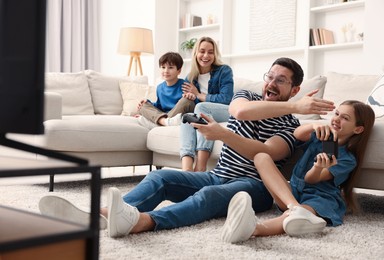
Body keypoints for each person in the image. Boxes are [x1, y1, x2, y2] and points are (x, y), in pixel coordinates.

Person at [38, 57, 335, 238]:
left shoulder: (289, 126)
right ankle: (103, 215)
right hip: (219, 174)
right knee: (160, 177)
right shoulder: (245, 95)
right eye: (269, 76)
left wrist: (222, 134)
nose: (270, 83)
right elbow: (241, 112)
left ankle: (144, 222)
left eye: (280, 81)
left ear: (294, 90)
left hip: (256, 187)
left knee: (208, 196)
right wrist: (222, 131)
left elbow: (268, 155)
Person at [221, 100, 375, 243]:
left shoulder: (348, 159)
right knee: (261, 156)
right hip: (292, 195)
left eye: (345, 118)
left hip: (318, 198)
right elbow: (298, 134)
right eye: (336, 114)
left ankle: (255, 228)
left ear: (358, 129)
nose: (337, 119)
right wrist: (314, 125)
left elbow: (311, 179)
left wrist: (318, 167)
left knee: (297, 215)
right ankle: (296, 208)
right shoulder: (320, 136)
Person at [180, 36, 234, 172]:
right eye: (202, 51)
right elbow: (192, 108)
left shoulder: (224, 71)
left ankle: (200, 167)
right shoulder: (190, 77)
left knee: (201, 107)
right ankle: (187, 170)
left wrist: (199, 95)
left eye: (210, 52)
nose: (206, 55)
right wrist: (190, 97)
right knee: (186, 117)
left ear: (215, 54)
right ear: (196, 53)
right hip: (203, 112)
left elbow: (226, 98)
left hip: (227, 111)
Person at [137, 52, 195, 128]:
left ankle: (159, 123)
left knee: (186, 100)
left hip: (177, 115)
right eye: (163, 67)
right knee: (142, 105)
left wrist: (191, 97)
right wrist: (148, 102)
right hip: (166, 116)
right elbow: (159, 106)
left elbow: (192, 104)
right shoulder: (160, 87)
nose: (166, 71)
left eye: (170, 67)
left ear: (179, 71)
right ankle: (165, 122)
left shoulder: (185, 85)